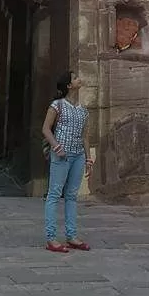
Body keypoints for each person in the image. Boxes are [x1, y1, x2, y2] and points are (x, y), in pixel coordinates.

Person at [42, 73, 93, 253]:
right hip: (61, 156)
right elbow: (46, 129)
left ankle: (71, 236)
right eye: (75, 78)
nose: (79, 79)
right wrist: (56, 147)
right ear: (69, 85)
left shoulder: (82, 110)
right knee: (54, 194)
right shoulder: (57, 105)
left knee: (71, 195)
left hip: (78, 155)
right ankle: (51, 238)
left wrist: (88, 158)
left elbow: (84, 136)